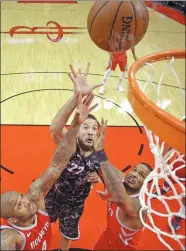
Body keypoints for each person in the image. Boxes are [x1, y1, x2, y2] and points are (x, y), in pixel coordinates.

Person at [0, 92, 97, 250]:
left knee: (67, 233)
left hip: (74, 203)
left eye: (22, 196)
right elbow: (55, 131)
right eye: (19, 206)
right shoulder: (10, 236)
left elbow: (55, 167)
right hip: (58, 195)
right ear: (12, 220)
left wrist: (78, 121)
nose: (26, 201)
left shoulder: (35, 198)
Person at [45, 62, 104, 251]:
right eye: (85, 127)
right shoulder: (70, 144)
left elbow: (106, 184)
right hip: (53, 196)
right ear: (78, 131)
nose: (90, 131)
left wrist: (96, 181)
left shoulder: (98, 155)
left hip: (75, 206)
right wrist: (76, 97)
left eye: (94, 128)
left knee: (67, 235)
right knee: (41, 225)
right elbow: (54, 128)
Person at [92, 119, 153, 250]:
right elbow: (101, 165)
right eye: (135, 170)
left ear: (146, 184)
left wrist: (100, 152)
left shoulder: (139, 207)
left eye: (141, 175)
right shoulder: (123, 179)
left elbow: (119, 197)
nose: (135, 174)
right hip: (106, 239)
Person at [153, 118, 186, 231]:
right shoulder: (181, 133)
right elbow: (171, 144)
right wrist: (165, 161)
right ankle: (165, 189)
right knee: (169, 176)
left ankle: (180, 215)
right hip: (181, 165)